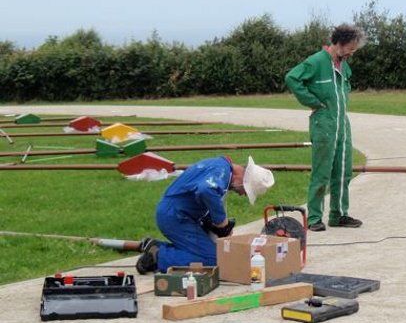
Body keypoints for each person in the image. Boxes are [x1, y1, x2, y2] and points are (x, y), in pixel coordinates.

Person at [285, 23, 365, 232]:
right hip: (323, 123)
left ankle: (338, 215)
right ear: (340, 42)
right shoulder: (316, 61)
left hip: (342, 124)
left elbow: (343, 89)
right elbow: (292, 78)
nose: (352, 52)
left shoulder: (344, 64)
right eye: (351, 47)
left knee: (343, 171)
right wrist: (311, 101)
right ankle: (314, 218)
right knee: (322, 172)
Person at [136, 155, 275, 274]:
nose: (241, 194)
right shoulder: (222, 171)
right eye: (244, 190)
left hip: (180, 215)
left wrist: (214, 223)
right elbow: (205, 190)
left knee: (209, 251)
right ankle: (159, 256)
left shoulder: (220, 167)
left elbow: (200, 194)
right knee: (212, 260)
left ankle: (156, 246)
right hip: (175, 217)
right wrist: (222, 223)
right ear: (242, 178)